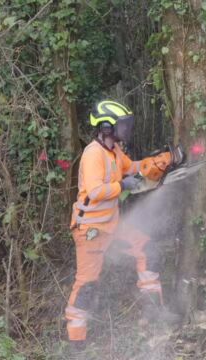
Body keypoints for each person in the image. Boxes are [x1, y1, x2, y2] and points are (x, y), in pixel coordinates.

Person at [65, 100, 181, 348]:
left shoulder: (114, 151)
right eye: (122, 125)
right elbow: (95, 191)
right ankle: (76, 340)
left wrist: (161, 161)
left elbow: (133, 168)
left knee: (146, 249)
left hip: (112, 225)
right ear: (106, 127)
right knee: (87, 283)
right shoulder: (92, 154)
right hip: (91, 231)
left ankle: (154, 312)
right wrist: (121, 186)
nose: (126, 129)